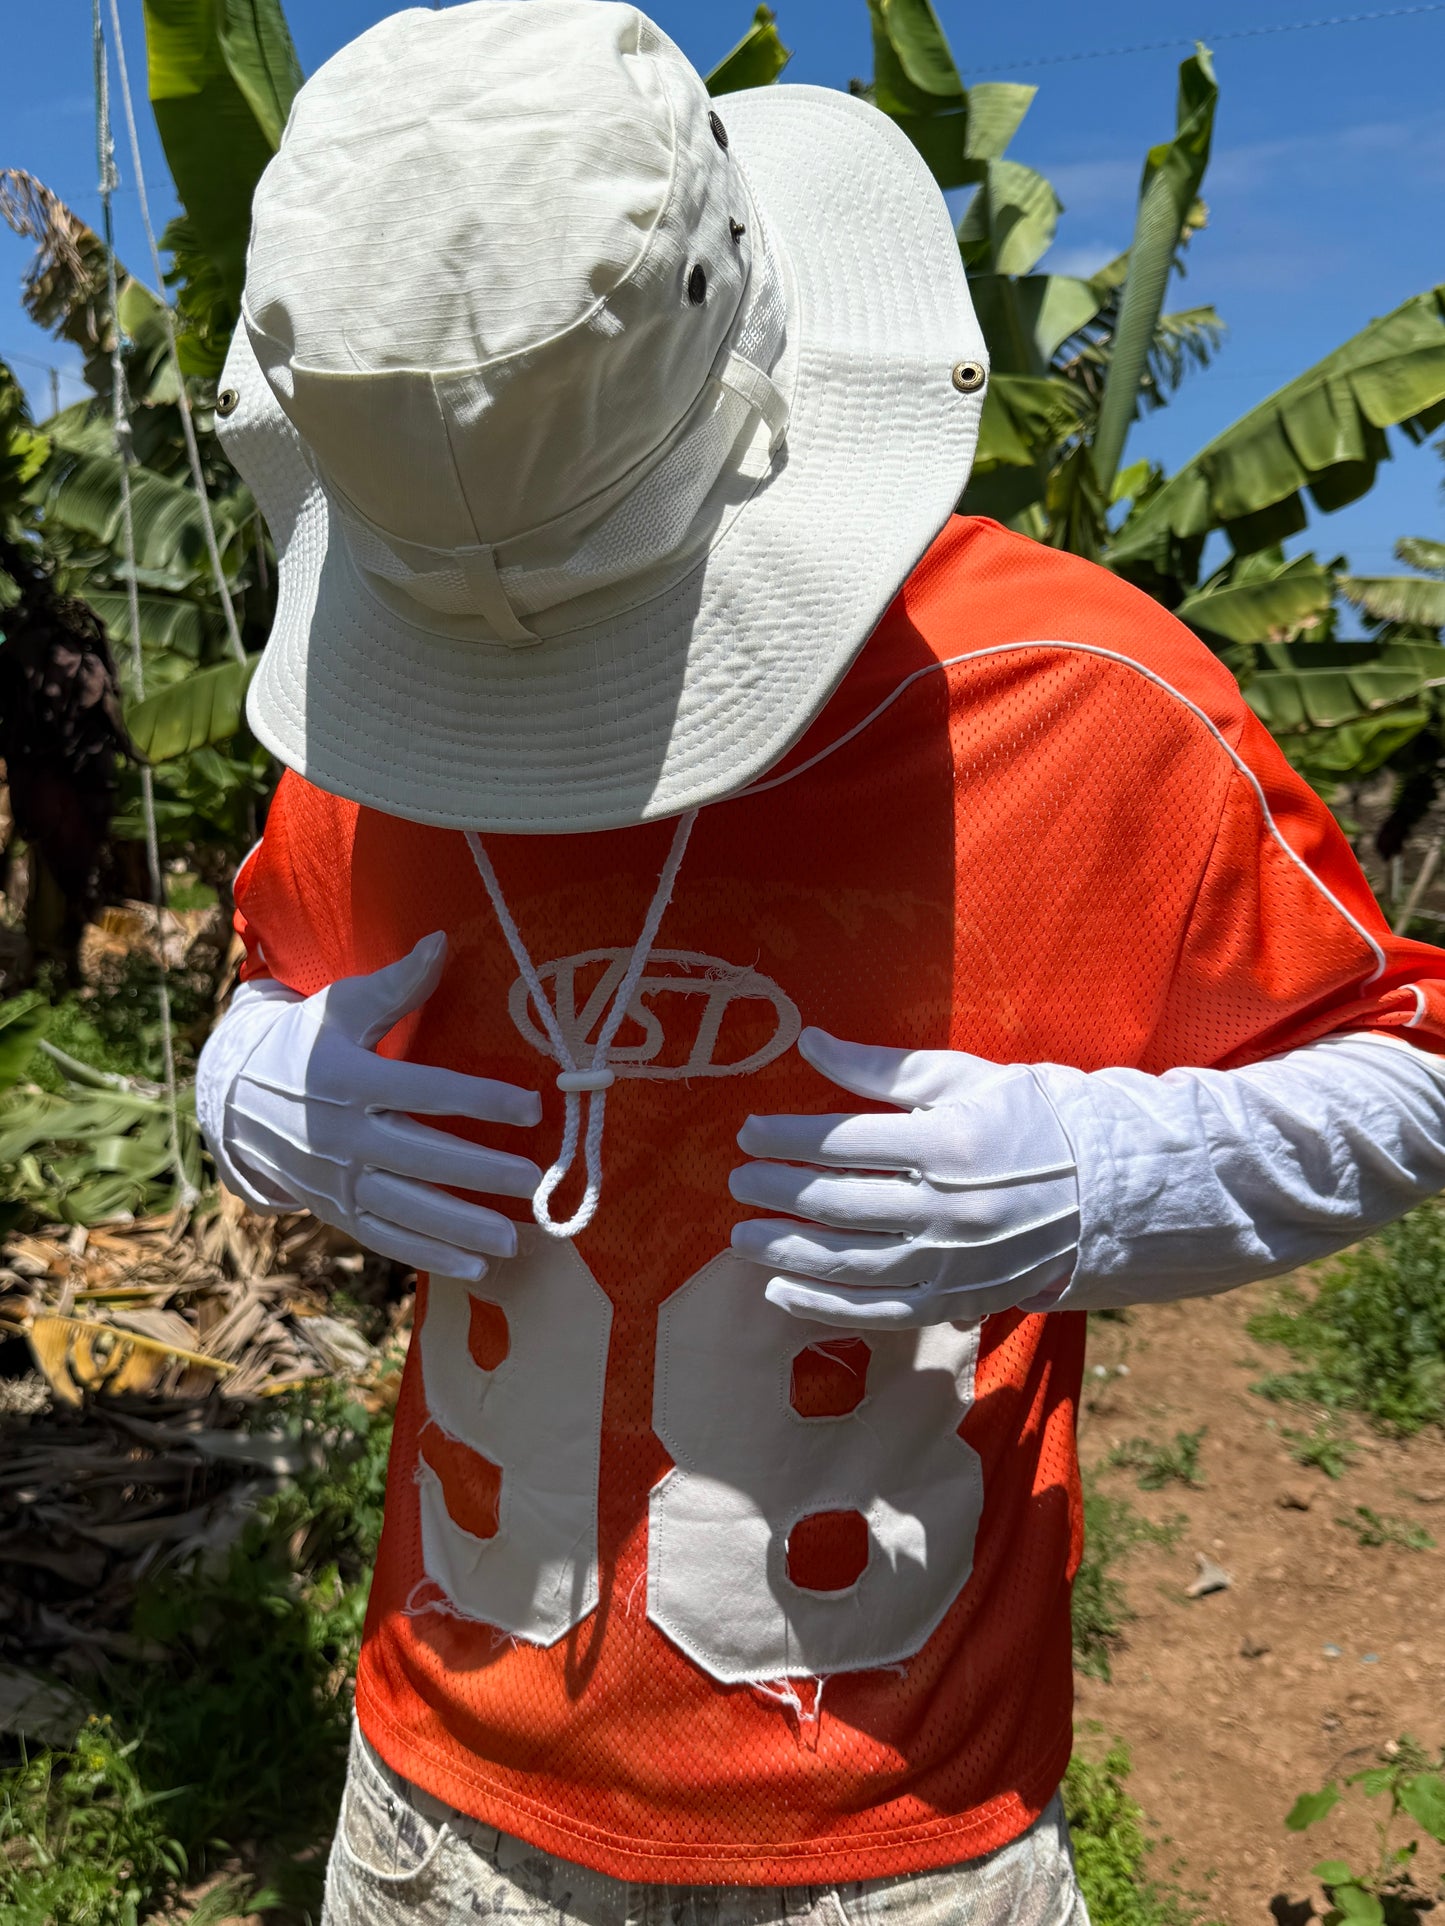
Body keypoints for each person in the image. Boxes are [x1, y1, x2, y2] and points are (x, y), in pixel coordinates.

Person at [196, 4, 1445, 1921]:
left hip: (885, 1829)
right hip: (436, 1788)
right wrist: (255, 1087)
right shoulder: (377, 733)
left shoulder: (1062, 703)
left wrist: (1117, 1179)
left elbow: (1405, 1060)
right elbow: (272, 977)